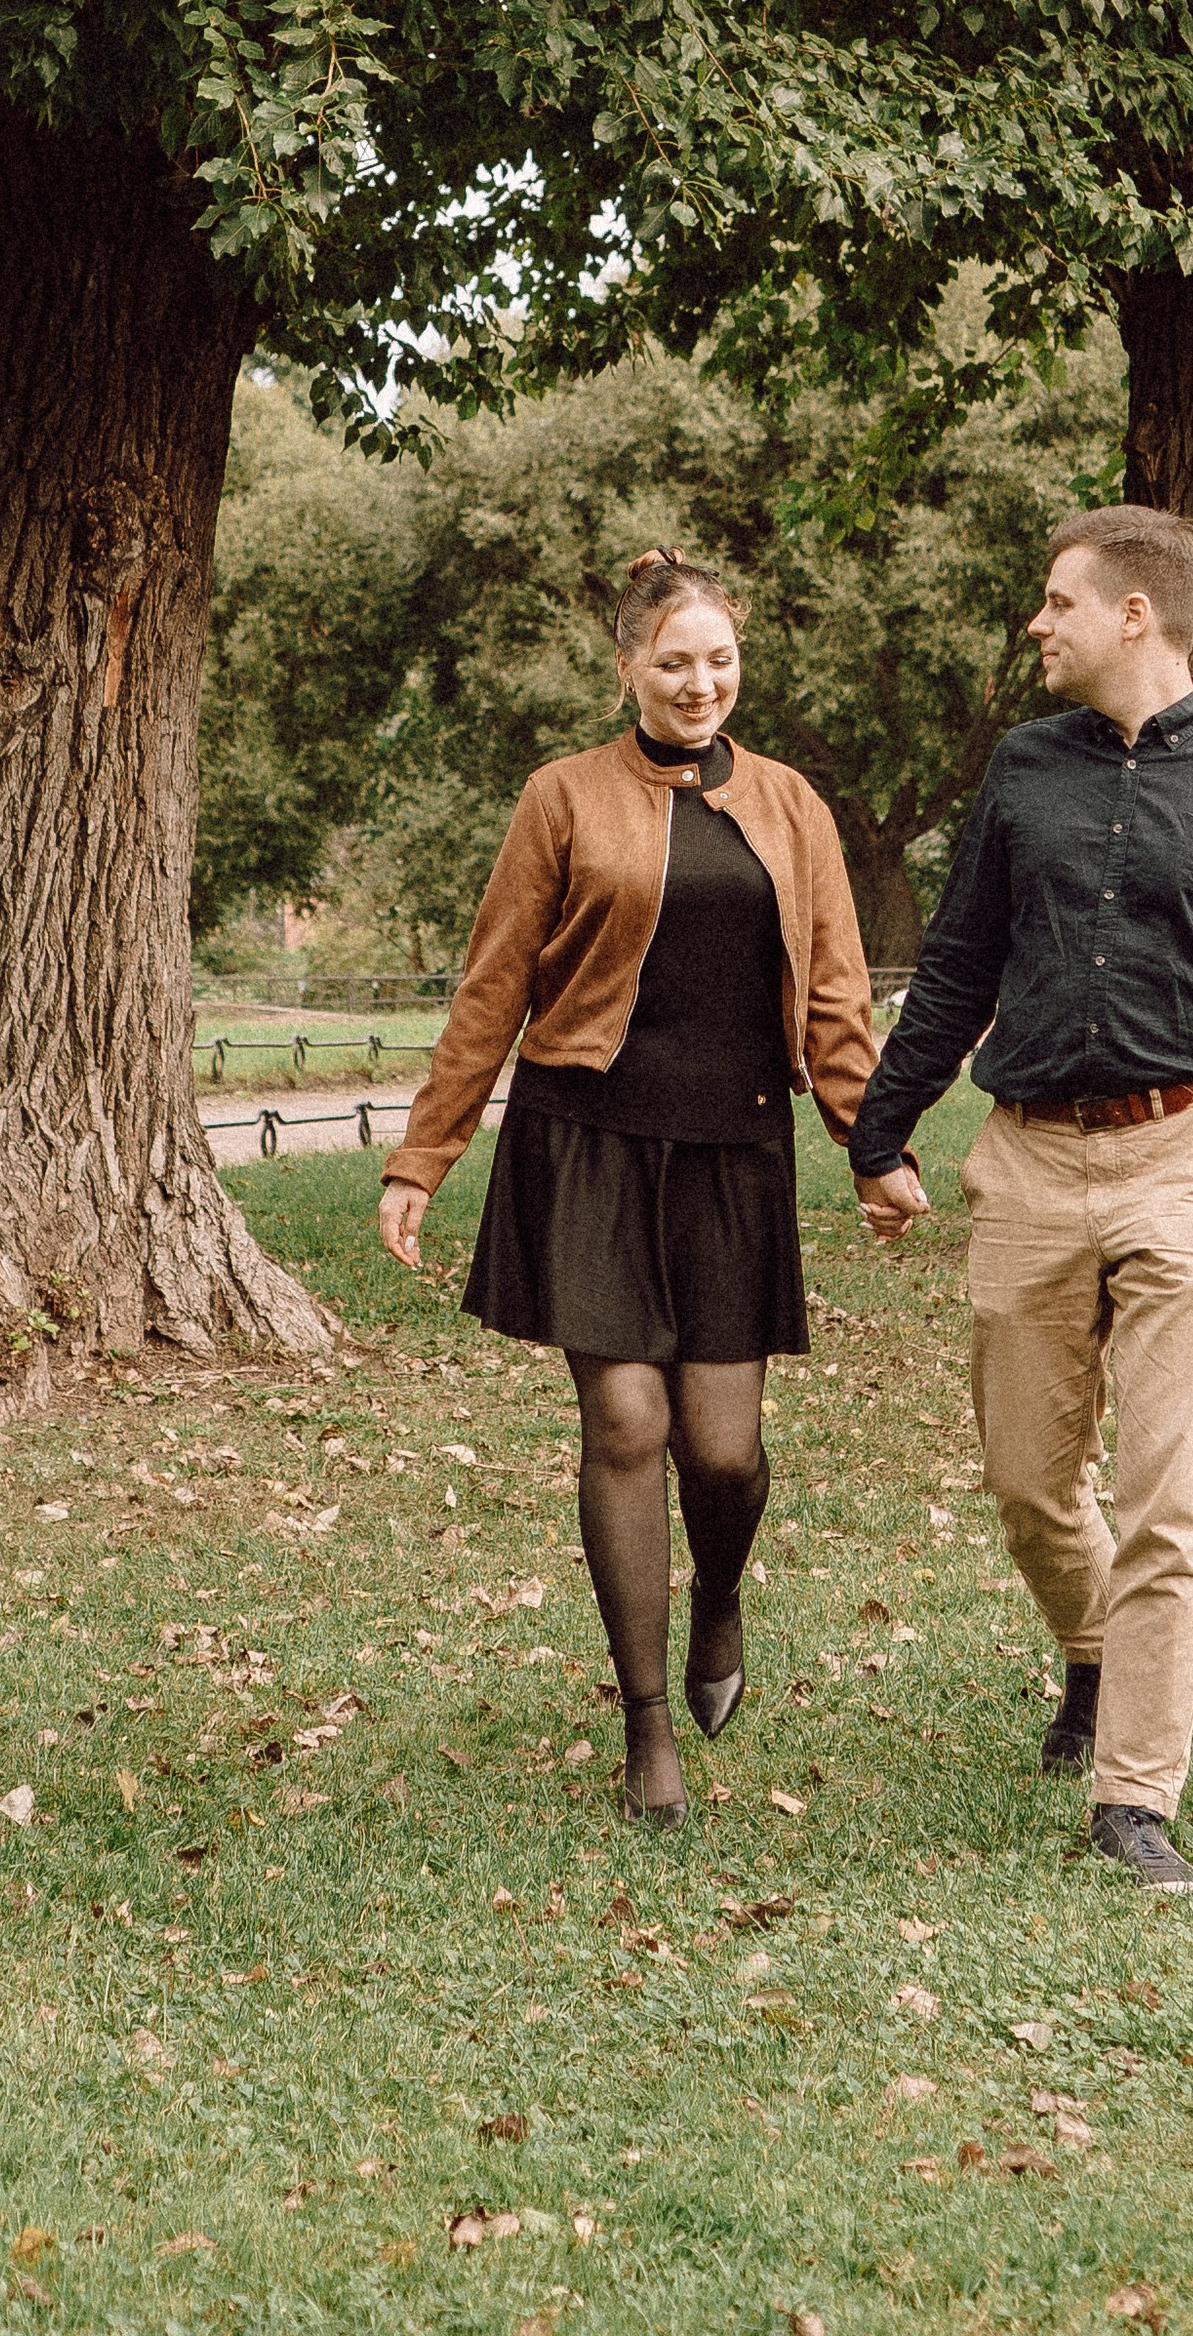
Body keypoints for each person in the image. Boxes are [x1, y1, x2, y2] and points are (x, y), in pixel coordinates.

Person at [844, 503, 1193, 1894]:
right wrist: (878, 1132)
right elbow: (957, 964)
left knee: (1170, 1499)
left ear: (1133, 615)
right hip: (1026, 1158)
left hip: (1190, 1157)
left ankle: (1134, 1793)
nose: (1039, 623)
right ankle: (1092, 1653)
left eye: (1057, 601)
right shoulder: (1023, 773)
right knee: (1031, 1484)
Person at [377, 549, 877, 1825]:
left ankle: (719, 1600)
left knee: (723, 1450)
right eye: (673, 662)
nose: (700, 683)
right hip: (587, 1142)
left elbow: (833, 986)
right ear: (627, 669)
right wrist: (422, 1156)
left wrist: (871, 1141)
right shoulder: (562, 797)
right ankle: (645, 1724)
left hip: (734, 1153)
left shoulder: (787, 804)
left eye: (719, 659)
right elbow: (494, 984)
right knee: (625, 1427)